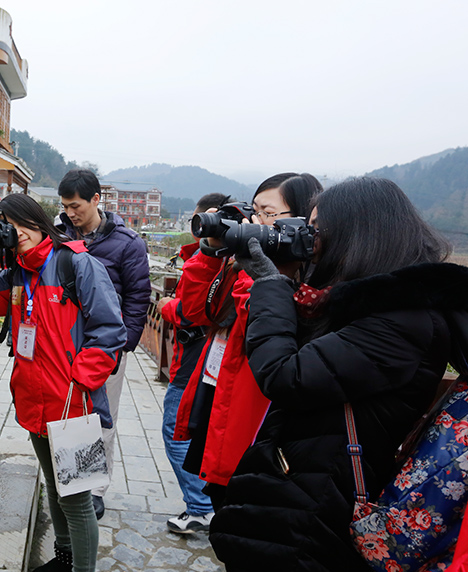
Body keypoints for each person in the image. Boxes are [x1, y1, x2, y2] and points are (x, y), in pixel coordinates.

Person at [209, 177, 468, 572]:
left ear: (356, 233)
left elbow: (285, 375)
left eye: (316, 230)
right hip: (305, 496)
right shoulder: (367, 308)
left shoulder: (401, 321)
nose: (310, 242)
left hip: (318, 513)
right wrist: (286, 277)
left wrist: (270, 286)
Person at [0, 193, 126, 572]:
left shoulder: (75, 264)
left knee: (79, 499)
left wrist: (79, 382)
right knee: (53, 485)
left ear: (38, 222)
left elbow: (110, 330)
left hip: (72, 405)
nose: (18, 233)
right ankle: (66, 557)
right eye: (8, 227)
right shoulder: (15, 273)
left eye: (23, 224)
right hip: (33, 402)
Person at [169, 173, 321, 532]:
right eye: (252, 212)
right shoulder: (239, 265)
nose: (254, 223)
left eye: (267, 213)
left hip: (253, 413)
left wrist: (262, 275)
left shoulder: (304, 285)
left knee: (242, 518)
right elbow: (193, 310)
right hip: (216, 389)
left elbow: (255, 317)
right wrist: (209, 252)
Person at [57, 168, 151, 519]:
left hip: (105, 346)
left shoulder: (127, 243)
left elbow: (139, 297)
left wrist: (122, 344)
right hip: (66, 344)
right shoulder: (59, 235)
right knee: (68, 412)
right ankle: (70, 479)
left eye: (76, 205)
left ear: (97, 199)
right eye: (65, 206)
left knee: (101, 417)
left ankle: (95, 488)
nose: (71, 213)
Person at [155, 193, 230, 533]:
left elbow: (190, 311)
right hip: (203, 358)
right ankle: (206, 505)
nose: (200, 229)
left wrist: (169, 305)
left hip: (196, 360)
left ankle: (201, 507)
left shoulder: (219, 257)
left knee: (176, 430)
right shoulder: (218, 256)